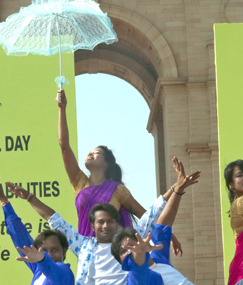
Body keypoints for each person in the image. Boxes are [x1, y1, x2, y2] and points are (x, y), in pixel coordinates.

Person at [17, 156, 199, 285]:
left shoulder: (127, 243)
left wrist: (174, 189)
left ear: (117, 223)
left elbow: (152, 215)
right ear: (93, 225)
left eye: (110, 221)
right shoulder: (84, 245)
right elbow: (55, 220)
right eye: (100, 222)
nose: (105, 225)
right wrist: (30, 198)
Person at [56, 89, 183, 256]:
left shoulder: (117, 189)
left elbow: (147, 216)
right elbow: (64, 147)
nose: (90, 154)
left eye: (96, 153)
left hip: (113, 254)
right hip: (87, 252)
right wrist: (62, 109)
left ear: (107, 163)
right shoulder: (79, 182)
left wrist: (170, 235)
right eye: (90, 152)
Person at [110, 159, 205, 285]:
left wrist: (177, 191)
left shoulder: (158, 259)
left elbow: (163, 223)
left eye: (133, 244)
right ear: (123, 263)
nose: (132, 250)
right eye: (125, 251)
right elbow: (139, 276)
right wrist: (138, 257)